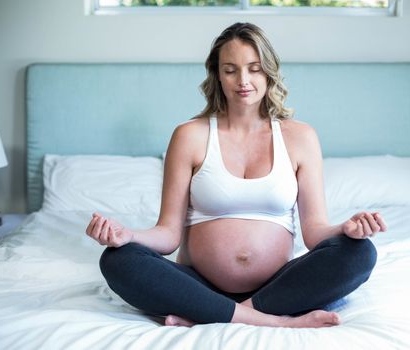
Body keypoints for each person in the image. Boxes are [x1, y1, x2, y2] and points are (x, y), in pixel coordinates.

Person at [86, 22, 387, 329]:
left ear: (268, 72)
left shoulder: (301, 137)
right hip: (197, 285)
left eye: (254, 69)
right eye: (231, 70)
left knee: (360, 254)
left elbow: (314, 233)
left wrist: (347, 230)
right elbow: (167, 234)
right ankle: (276, 322)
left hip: (276, 287)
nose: (243, 80)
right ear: (217, 74)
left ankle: (216, 313)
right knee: (117, 259)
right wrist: (128, 236)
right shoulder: (190, 135)